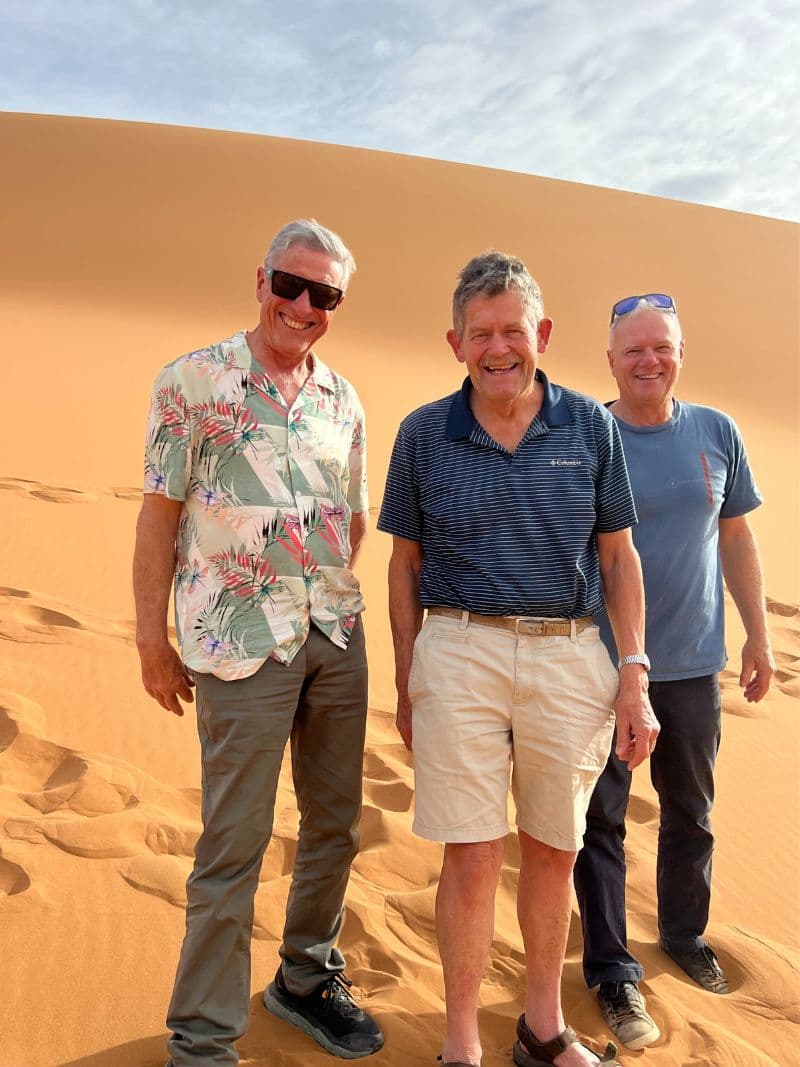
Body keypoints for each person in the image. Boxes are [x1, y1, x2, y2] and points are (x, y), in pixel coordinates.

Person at [378, 251, 660, 1067]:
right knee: (469, 851)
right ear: (454, 342)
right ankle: (460, 1042)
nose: (497, 348)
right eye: (479, 334)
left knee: (554, 845)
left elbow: (618, 556)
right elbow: (404, 563)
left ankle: (542, 1028)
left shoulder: (591, 425)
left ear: (541, 333)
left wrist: (633, 670)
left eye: (512, 330)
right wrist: (407, 675)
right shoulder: (424, 433)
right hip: (458, 647)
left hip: (569, 654)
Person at [132, 219, 383, 1066]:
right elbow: (160, 516)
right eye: (292, 284)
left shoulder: (343, 399)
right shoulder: (193, 381)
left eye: (326, 295)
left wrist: (322, 587)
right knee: (234, 840)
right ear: (262, 279)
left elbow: (352, 517)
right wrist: (151, 638)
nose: (304, 306)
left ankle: (305, 979)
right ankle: (202, 1040)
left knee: (336, 824)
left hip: (333, 632)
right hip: (239, 641)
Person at [573, 293, 774, 1051]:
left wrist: (757, 636)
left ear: (680, 352)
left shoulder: (715, 430)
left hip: (693, 667)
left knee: (693, 811)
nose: (648, 362)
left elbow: (736, 537)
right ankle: (611, 965)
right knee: (601, 821)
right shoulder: (590, 434)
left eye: (661, 347)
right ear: (611, 360)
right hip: (601, 667)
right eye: (633, 351)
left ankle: (685, 933)